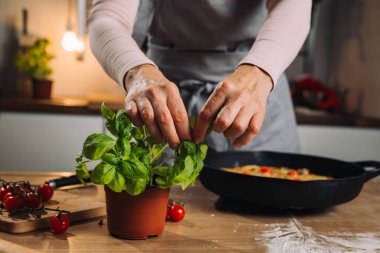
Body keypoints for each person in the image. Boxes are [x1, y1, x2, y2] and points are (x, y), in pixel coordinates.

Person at [88, 0, 312, 153]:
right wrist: (138, 72)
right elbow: (107, 19)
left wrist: (260, 70)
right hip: (163, 102)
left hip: (259, 96)